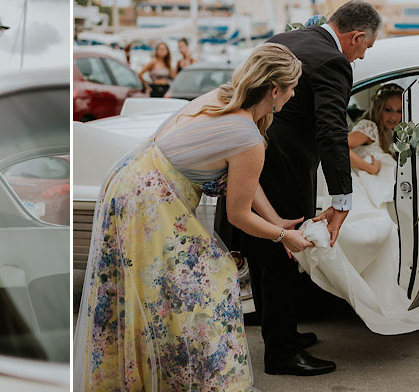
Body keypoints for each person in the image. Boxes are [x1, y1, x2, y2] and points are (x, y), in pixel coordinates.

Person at [75, 43, 311, 391]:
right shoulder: (248, 137)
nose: (293, 95)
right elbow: (238, 214)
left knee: (147, 293)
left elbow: (242, 179)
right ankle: (202, 381)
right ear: (275, 91)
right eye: (292, 89)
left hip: (131, 183)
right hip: (149, 203)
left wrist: (276, 219)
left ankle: (157, 375)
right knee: (208, 284)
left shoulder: (224, 98)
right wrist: (282, 237)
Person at [215, 0, 382, 377]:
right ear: (356, 36)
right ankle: (281, 353)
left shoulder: (287, 37)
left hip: (253, 163)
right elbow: (331, 132)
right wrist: (342, 199)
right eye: (365, 48)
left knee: (264, 257)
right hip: (283, 171)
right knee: (282, 259)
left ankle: (281, 334)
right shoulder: (333, 61)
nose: (359, 58)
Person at [349, 83, 402, 175]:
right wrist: (371, 168)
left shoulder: (390, 132)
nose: (394, 117)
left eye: (399, 111)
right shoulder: (369, 128)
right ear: (378, 109)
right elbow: (338, 146)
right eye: (388, 110)